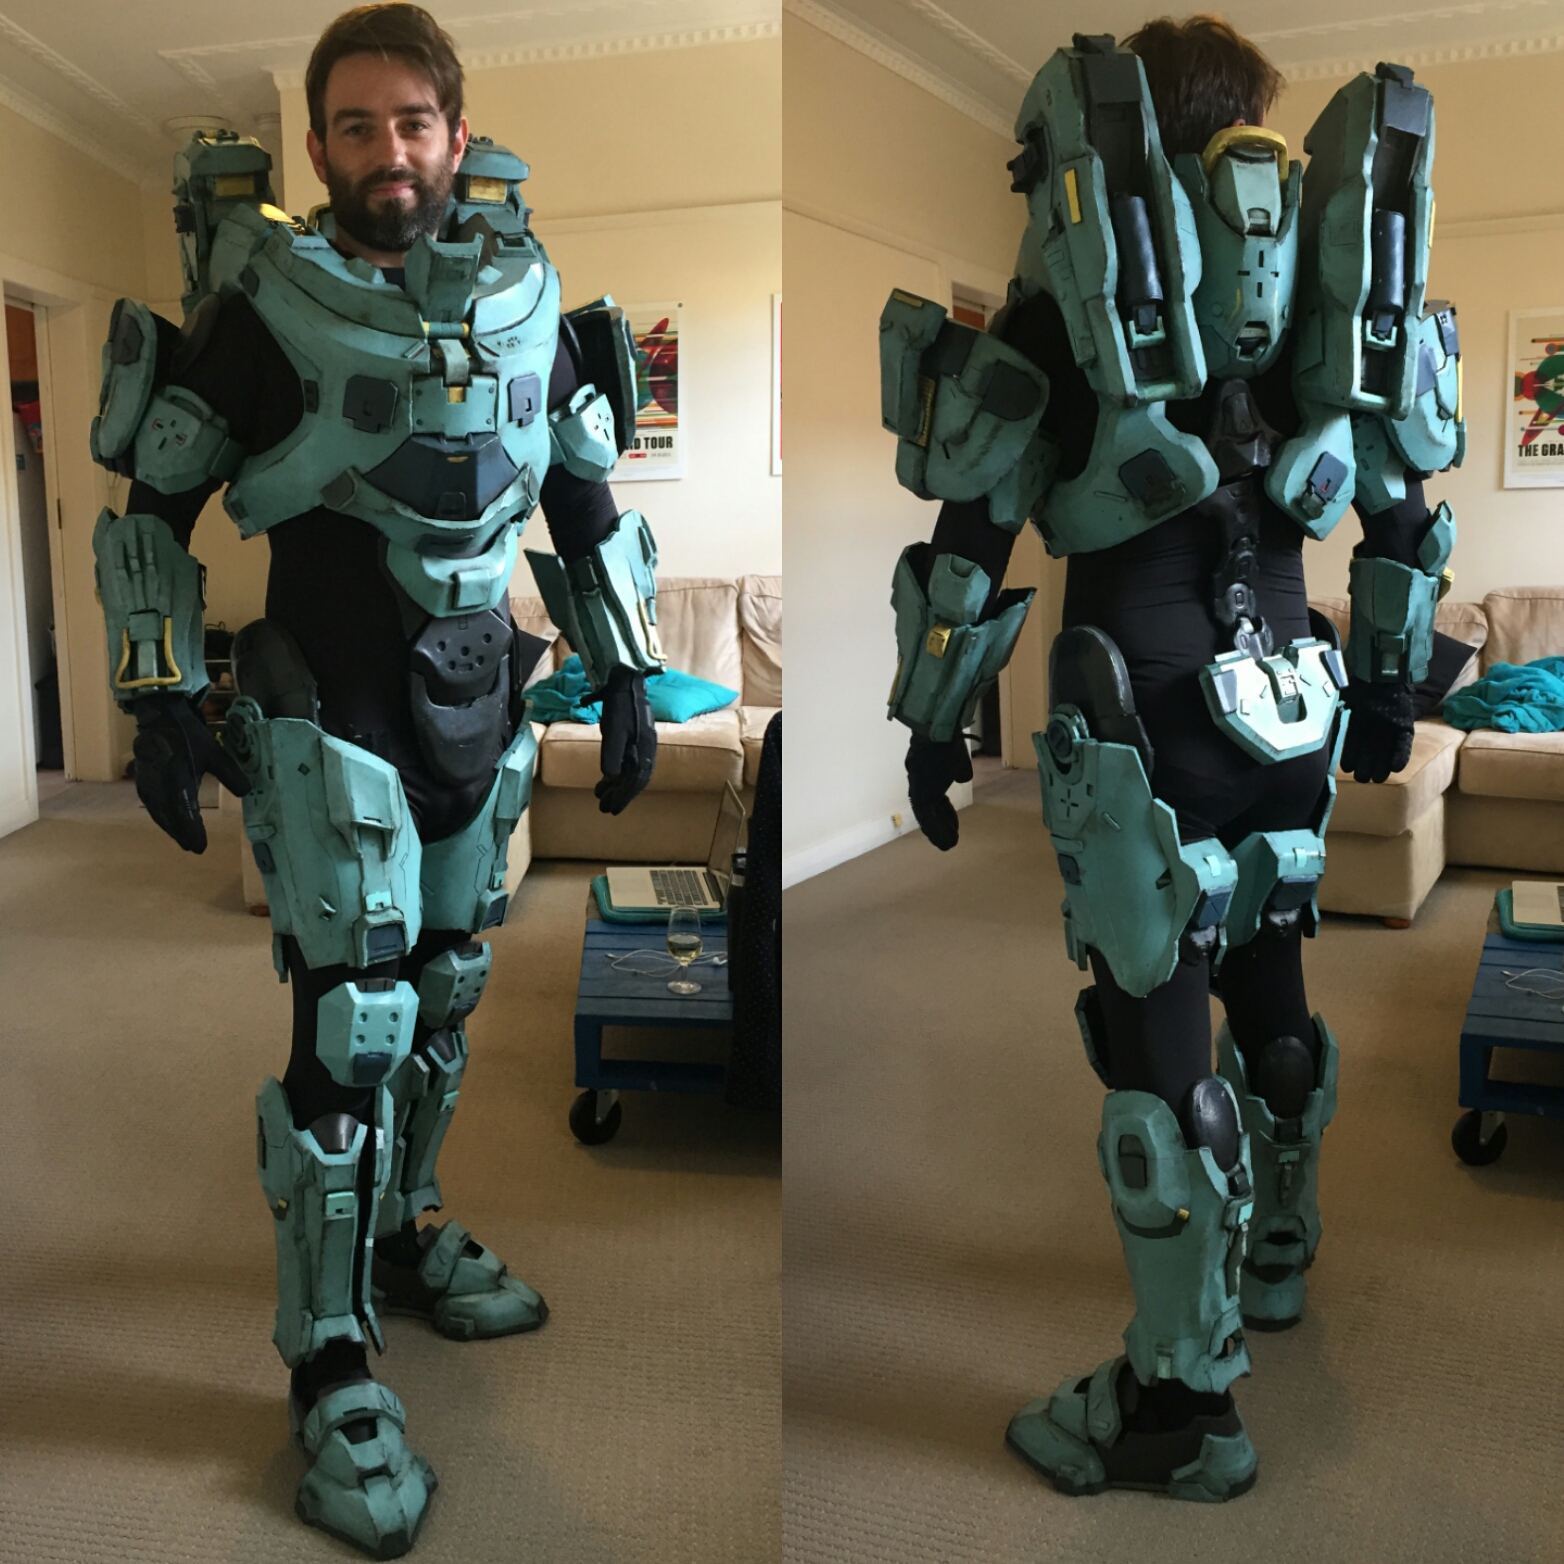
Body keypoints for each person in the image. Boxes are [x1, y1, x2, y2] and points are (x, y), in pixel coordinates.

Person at [89, 5, 665, 1554]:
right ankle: (328, 1359)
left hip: (480, 696)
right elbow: (151, 508)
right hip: (330, 702)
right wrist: (160, 700)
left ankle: (404, 1233)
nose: (388, 150)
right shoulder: (264, 310)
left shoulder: (533, 302)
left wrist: (626, 674)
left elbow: (586, 501)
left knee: (451, 995)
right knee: (352, 1029)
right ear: (320, 146)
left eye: (413, 121)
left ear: (455, 136)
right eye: (356, 126)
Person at [878, 17, 1462, 1498]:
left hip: (1141, 724)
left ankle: (1179, 1406)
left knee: (1157, 1047)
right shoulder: (1330, 313)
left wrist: (935, 729)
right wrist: (1389, 697)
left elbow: (968, 541)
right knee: (1269, 973)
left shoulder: (1065, 309)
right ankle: (1276, 1250)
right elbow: (1405, 516)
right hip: (1295, 711)